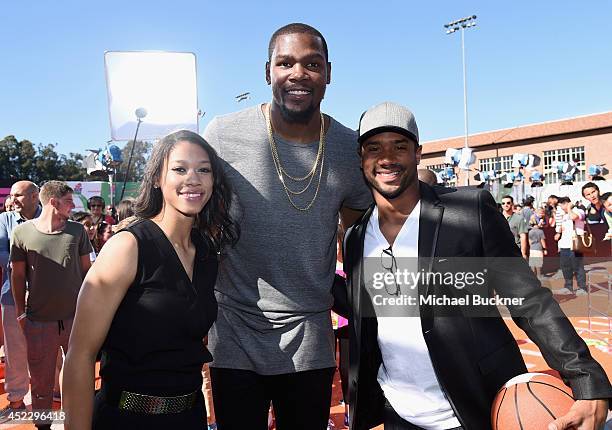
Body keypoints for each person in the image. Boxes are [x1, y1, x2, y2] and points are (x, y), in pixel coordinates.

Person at [341, 101, 611, 430]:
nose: (386, 158)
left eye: (399, 146)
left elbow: (528, 300)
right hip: (398, 412)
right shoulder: (356, 237)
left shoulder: (469, 211)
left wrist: (586, 378)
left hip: (476, 409)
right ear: (360, 157)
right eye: (374, 147)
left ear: (418, 153)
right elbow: (369, 319)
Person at [202, 22, 371, 430]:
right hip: (234, 331)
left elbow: (362, 237)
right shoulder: (223, 135)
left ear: (328, 74)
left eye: (312, 64)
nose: (299, 73)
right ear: (268, 73)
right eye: (286, 63)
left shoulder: (351, 148)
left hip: (309, 333)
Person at [63, 130, 239, 430]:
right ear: (158, 178)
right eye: (180, 169)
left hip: (189, 418)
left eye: (204, 170)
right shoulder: (128, 247)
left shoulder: (207, 252)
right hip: (126, 420)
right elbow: (79, 356)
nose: (193, 178)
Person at [10, 181, 93, 430]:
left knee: (80, 379)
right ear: (54, 202)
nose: (73, 206)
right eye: (69, 201)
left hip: (76, 321)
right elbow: (17, 275)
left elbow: (90, 274)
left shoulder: (78, 231)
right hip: (38, 320)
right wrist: (20, 313)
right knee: (41, 383)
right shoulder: (22, 233)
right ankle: (43, 426)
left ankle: (78, 423)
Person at [0, 181, 41, 421]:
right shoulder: (4, 220)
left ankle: (54, 394)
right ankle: (16, 402)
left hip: (47, 295)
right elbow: (3, 255)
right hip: (11, 295)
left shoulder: (49, 217)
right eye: (11, 195)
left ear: (34, 196)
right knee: (14, 349)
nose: (12, 199)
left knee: (51, 348)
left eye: (18, 195)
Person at [554, 197, 587, 296]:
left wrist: (569, 208)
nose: (561, 208)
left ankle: (582, 288)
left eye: (562, 205)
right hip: (564, 245)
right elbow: (560, 229)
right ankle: (568, 287)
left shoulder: (579, 211)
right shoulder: (563, 215)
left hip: (575, 244)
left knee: (577, 266)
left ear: (567, 203)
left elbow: (574, 217)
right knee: (566, 267)